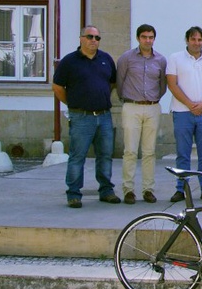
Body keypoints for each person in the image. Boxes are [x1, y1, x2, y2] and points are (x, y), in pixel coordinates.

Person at [53, 25, 119, 208]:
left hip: (104, 117)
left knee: (105, 155)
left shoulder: (105, 59)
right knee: (77, 156)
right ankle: (73, 193)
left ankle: (106, 190)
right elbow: (57, 87)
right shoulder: (69, 62)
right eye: (90, 37)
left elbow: (112, 83)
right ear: (81, 38)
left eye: (97, 38)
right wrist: (73, 104)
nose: (93, 41)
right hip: (81, 117)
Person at [166, 26, 202, 203]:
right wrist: (190, 105)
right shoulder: (175, 58)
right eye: (193, 39)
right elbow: (172, 85)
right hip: (182, 113)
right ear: (187, 40)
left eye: (200, 40)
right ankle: (181, 189)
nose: (196, 43)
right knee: (183, 153)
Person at [115, 23, 167, 204]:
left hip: (152, 107)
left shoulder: (160, 60)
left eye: (151, 37)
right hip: (132, 106)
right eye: (144, 37)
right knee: (130, 150)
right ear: (138, 38)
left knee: (149, 151)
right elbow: (119, 83)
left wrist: (153, 100)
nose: (148, 40)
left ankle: (148, 189)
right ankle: (128, 189)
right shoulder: (126, 58)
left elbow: (162, 86)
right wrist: (129, 99)